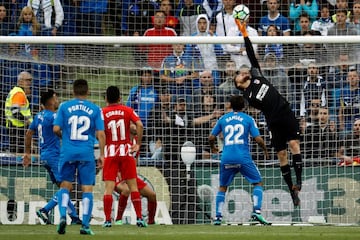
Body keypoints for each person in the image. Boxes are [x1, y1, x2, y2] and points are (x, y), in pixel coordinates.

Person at [234, 19, 303, 207]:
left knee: (295, 145)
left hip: (285, 112)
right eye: (238, 75)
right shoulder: (249, 96)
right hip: (274, 121)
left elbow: (251, 55)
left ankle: (299, 182)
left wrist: (245, 34)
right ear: (239, 83)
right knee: (282, 155)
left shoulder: (257, 75)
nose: (242, 72)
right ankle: (291, 191)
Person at [53, 79, 105, 235]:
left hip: (68, 151)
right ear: (88, 91)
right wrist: (102, 154)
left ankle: (63, 216)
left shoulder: (64, 107)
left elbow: (56, 128)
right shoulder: (95, 109)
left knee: (65, 186)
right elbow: (101, 134)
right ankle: (85, 225)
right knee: (87, 188)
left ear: (72, 91)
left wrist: (65, 138)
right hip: (86, 153)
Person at [209, 95, 270, 225]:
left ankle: (218, 217)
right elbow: (258, 138)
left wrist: (213, 148)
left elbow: (211, 137)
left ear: (230, 105)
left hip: (226, 157)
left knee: (222, 187)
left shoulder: (223, 119)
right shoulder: (248, 119)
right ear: (244, 106)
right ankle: (257, 212)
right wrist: (265, 150)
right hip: (243, 158)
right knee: (257, 183)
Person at [22, 90, 81, 225]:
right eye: (55, 98)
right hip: (54, 156)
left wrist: (27, 153)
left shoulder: (38, 116)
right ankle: (45, 209)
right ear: (50, 102)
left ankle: (75, 217)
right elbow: (60, 130)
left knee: (63, 188)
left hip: (44, 156)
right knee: (67, 187)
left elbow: (29, 133)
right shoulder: (53, 116)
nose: (57, 100)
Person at [102, 85, 146, 228]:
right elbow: (139, 125)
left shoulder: (102, 112)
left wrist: (102, 151)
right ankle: (139, 218)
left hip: (110, 153)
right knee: (133, 186)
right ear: (120, 98)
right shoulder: (127, 110)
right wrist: (138, 144)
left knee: (108, 188)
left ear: (106, 99)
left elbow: (100, 133)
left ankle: (108, 220)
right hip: (126, 152)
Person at [114, 123, 157, 225]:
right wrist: (121, 176)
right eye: (133, 124)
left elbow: (135, 160)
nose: (136, 127)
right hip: (118, 175)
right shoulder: (120, 141)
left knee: (152, 195)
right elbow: (114, 160)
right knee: (126, 190)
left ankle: (151, 221)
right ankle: (118, 219)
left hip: (130, 175)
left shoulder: (136, 141)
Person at [4, 71, 33, 157]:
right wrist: (27, 121)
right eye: (27, 80)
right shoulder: (19, 93)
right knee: (19, 155)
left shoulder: (16, 91)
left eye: (30, 80)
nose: (29, 83)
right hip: (18, 128)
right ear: (20, 81)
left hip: (15, 127)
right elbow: (15, 111)